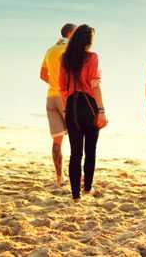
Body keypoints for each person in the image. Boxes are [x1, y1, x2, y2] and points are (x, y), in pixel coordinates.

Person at [59, 24, 107, 201]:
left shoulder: (65, 59)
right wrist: (101, 110)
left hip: (72, 107)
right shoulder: (92, 57)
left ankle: (75, 196)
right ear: (88, 41)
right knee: (90, 151)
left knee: (75, 153)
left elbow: (62, 88)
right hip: (89, 106)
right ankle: (87, 188)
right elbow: (95, 86)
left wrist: (67, 109)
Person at [40, 23, 76, 187]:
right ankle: (78, 175)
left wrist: (54, 83)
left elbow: (42, 75)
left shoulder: (50, 50)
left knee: (57, 142)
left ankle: (59, 178)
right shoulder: (71, 49)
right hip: (65, 97)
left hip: (51, 97)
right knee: (77, 137)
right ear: (70, 33)